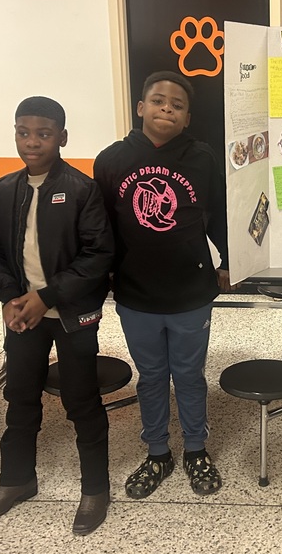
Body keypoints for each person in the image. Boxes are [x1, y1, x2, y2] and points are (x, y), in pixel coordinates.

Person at [0, 97, 115, 535]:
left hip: (72, 315)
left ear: (62, 138)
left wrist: (46, 296)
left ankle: (95, 488)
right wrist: (12, 298)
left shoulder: (81, 189)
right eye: (22, 132)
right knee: (19, 398)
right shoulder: (4, 189)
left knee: (81, 400)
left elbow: (98, 256)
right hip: (22, 315)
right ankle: (17, 480)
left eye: (43, 134)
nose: (31, 142)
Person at [94, 71, 231, 498]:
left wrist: (228, 262)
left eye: (177, 104)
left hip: (191, 291)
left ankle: (195, 448)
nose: (166, 108)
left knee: (189, 374)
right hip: (136, 294)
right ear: (140, 107)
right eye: (158, 100)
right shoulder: (112, 160)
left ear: (188, 118)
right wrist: (104, 274)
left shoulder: (203, 158)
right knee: (151, 376)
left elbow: (221, 214)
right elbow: (99, 227)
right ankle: (157, 452)